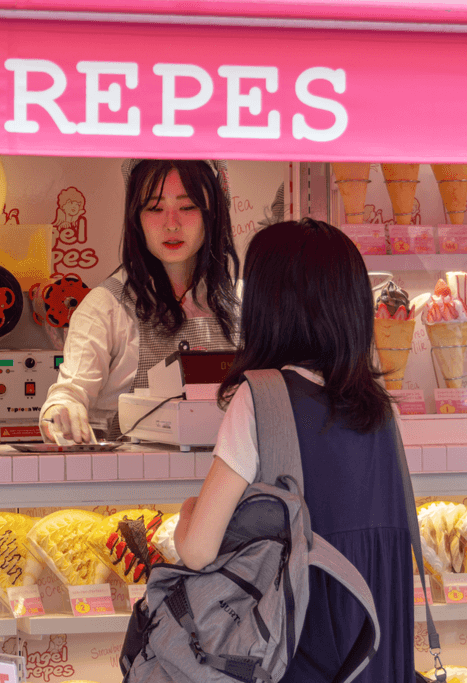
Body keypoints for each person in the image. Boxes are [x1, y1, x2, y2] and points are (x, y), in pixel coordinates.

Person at [173, 218, 413, 681]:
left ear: (269, 307)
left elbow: (199, 551)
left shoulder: (261, 397)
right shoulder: (381, 409)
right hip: (378, 650)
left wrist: (187, 514)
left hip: (305, 651)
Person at [40, 159, 239, 443]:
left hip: (227, 482)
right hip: (132, 483)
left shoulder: (244, 303)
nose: (171, 224)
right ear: (136, 217)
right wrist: (61, 410)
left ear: (215, 213)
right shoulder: (106, 306)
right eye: (155, 208)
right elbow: (69, 393)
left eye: (188, 207)